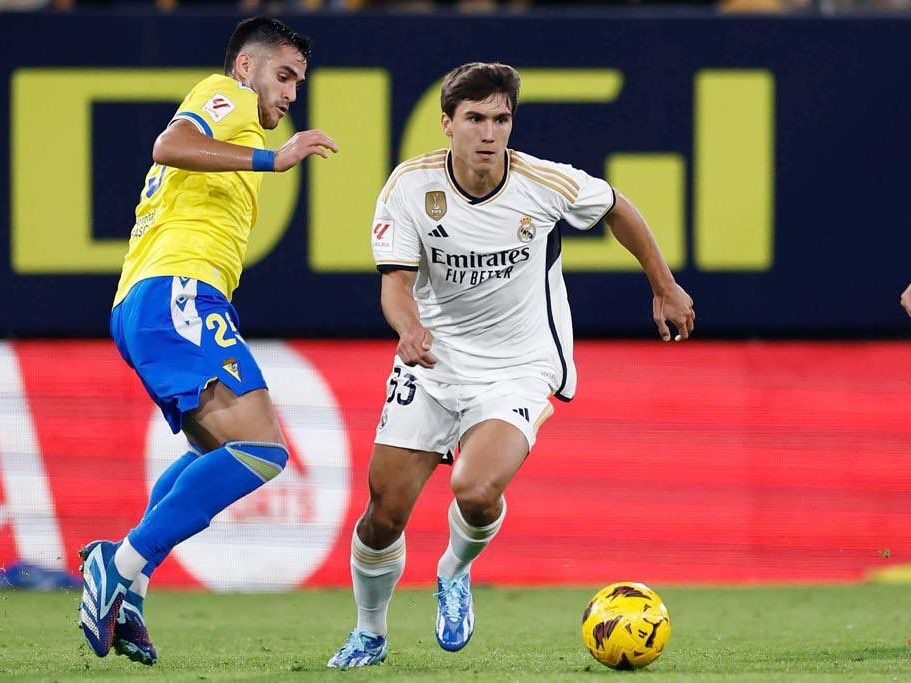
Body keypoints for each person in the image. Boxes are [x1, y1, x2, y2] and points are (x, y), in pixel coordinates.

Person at [327, 62, 695, 668]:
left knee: (475, 489)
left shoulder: (543, 183)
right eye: (474, 118)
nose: (488, 132)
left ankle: (453, 570)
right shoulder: (409, 187)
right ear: (447, 123)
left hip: (517, 368)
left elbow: (617, 207)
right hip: (432, 363)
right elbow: (394, 284)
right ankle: (369, 632)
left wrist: (664, 285)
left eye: (500, 119)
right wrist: (408, 328)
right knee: (383, 515)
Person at [77, 16, 337, 665]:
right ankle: (123, 561)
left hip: (148, 299)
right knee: (262, 449)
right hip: (179, 290)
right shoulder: (227, 98)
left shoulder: (239, 114)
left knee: (213, 449)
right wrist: (271, 158)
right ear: (246, 68)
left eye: (298, 82)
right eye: (284, 75)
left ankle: (129, 588)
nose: (290, 94)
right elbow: (169, 144)